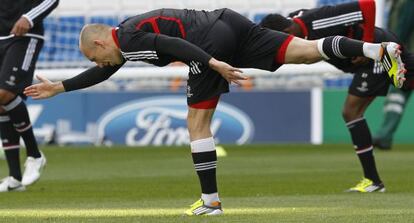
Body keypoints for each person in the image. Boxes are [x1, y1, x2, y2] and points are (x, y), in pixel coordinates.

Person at [24, 8, 404, 215]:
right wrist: (60, 87)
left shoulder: (128, 38)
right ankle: (374, 51)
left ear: (99, 39)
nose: (101, 63)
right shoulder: (125, 37)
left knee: (196, 123)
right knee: (306, 53)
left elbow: (169, 41)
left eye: (97, 56)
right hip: (231, 22)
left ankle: (211, 203)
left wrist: (212, 62)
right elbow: (106, 70)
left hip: (208, 42)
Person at [260, 0, 412, 193]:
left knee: (351, 111)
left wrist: (366, 44)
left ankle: (373, 181)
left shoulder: (318, 21)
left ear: (288, 32)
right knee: (406, 83)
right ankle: (373, 181)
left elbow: (367, 4)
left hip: (377, 52)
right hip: (369, 58)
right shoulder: (294, 28)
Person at [0, 0, 59, 192]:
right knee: (1, 105)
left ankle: (35, 154)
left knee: (4, 94)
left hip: (24, 34)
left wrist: (29, 17)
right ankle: (15, 179)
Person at [373, 0, 414, 150]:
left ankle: (384, 136)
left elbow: (401, 28)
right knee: (397, 95)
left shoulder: (406, 2)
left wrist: (391, 50)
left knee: (397, 93)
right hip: (406, 53)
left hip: (408, 55)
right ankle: (384, 135)